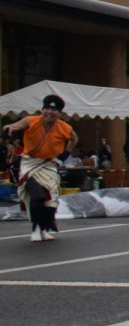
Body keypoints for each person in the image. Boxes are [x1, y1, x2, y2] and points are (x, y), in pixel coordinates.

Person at [3, 95, 78, 241]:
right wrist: (9, 128)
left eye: (54, 110)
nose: (49, 112)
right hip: (30, 164)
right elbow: (15, 126)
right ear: (42, 110)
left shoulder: (64, 127)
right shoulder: (31, 121)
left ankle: (45, 228)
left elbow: (74, 138)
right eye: (47, 108)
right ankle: (35, 228)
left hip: (49, 164)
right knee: (37, 196)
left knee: (50, 202)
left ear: (59, 113)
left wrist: (66, 152)